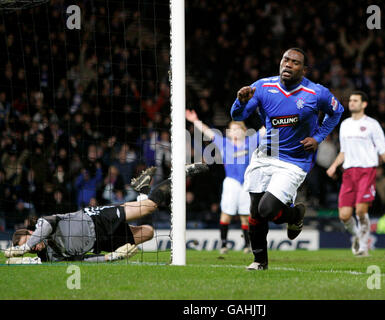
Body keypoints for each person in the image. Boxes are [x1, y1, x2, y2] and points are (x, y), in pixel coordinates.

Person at [230, 48, 344, 270]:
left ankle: (295, 214)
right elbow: (238, 116)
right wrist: (240, 102)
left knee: (267, 209)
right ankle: (259, 261)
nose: (288, 65)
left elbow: (337, 111)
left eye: (295, 62)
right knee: (255, 210)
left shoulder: (316, 93)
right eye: (285, 60)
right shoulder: (263, 87)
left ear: (304, 69)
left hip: (294, 159)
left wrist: (319, 137)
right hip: (266, 154)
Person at [4, 163, 208, 263]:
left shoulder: (42, 225)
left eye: (28, 243)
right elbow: (81, 261)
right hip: (100, 243)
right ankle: (143, 189)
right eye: (29, 249)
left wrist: (24, 248)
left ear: (29, 233)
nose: (32, 248)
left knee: (149, 207)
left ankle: (181, 173)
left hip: (95, 219)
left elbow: (47, 223)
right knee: (148, 232)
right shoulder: (47, 257)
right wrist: (110, 257)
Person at [326, 91, 385, 256]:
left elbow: (383, 151)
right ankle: (358, 236)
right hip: (349, 173)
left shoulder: (372, 124)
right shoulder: (345, 125)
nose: (351, 103)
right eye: (350, 100)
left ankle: (362, 246)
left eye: (355, 100)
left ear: (364, 104)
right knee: (344, 215)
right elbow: (343, 151)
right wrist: (334, 165)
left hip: (366, 171)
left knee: (360, 211)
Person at [186, 109, 265, 254]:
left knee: (245, 215)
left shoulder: (251, 141)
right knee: (226, 212)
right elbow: (208, 132)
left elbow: (263, 130)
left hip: (247, 183)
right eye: (231, 130)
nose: (233, 132)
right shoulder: (224, 143)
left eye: (236, 129)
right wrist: (195, 120)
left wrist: (273, 114)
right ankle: (223, 244)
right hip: (231, 182)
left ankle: (247, 245)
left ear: (244, 130)